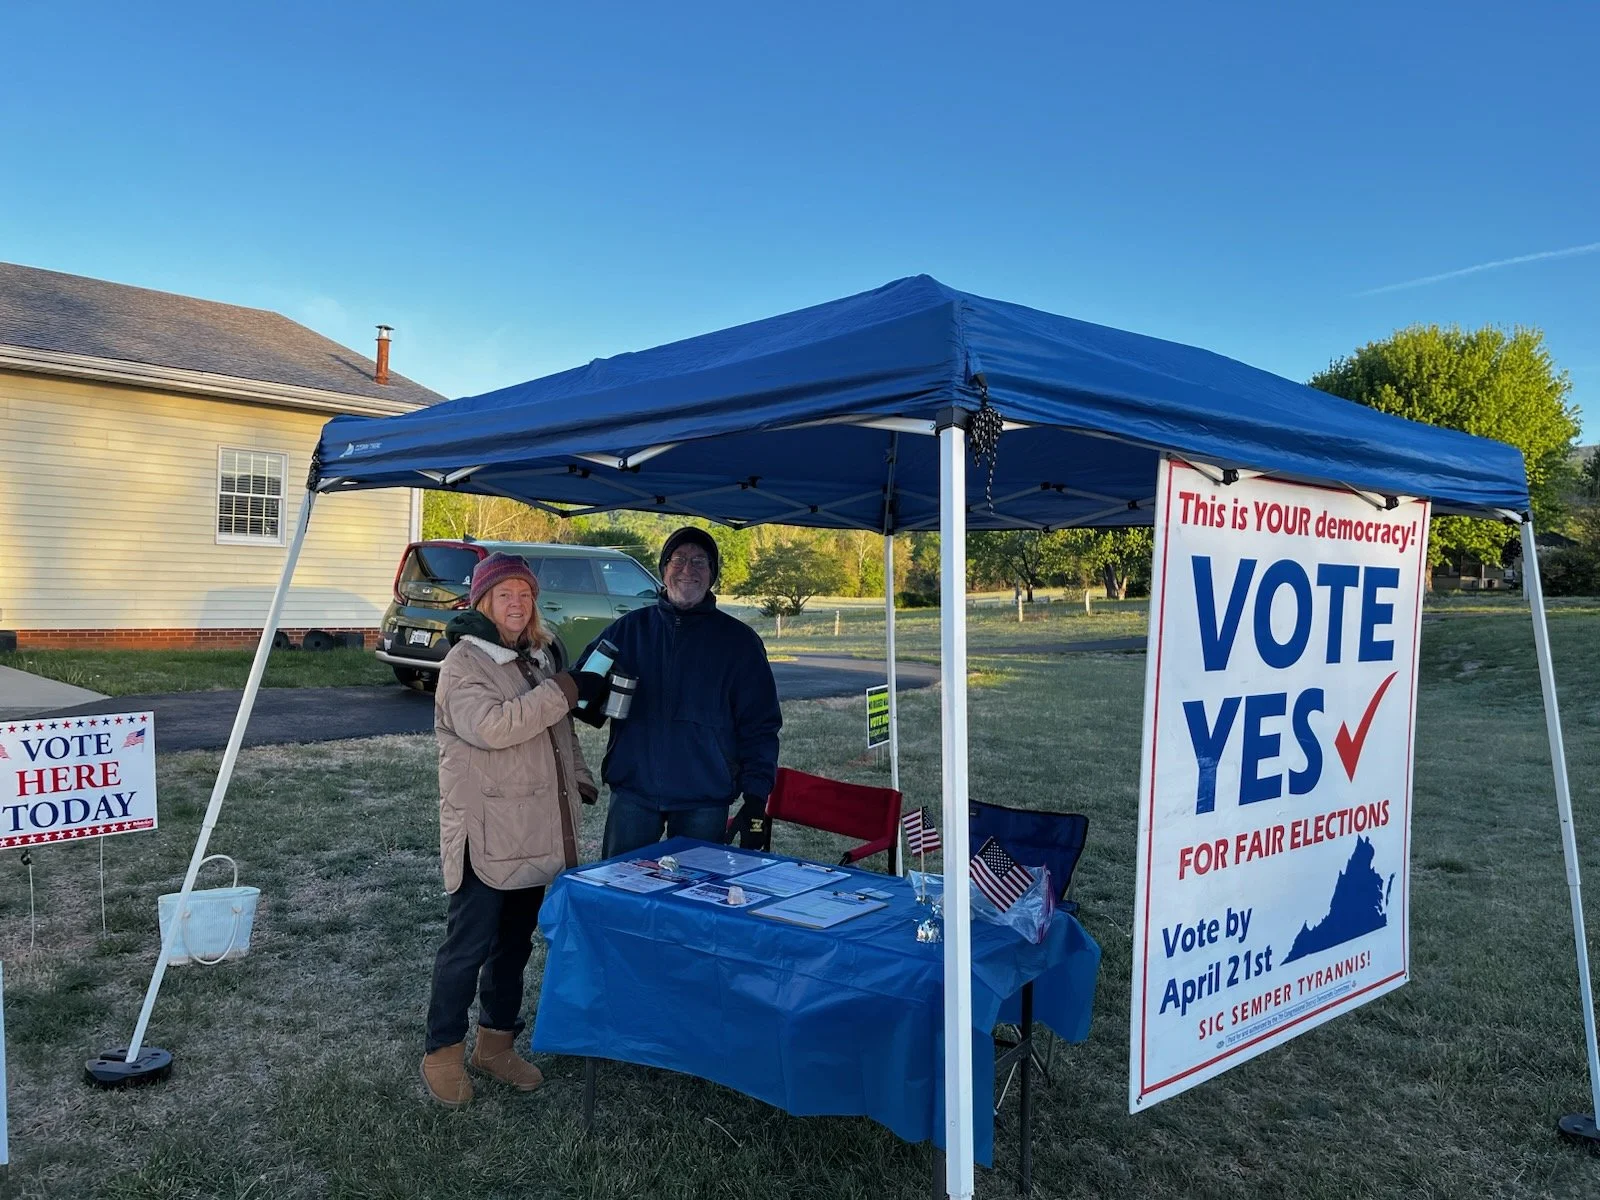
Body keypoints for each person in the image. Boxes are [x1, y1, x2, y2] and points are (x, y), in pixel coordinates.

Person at [420, 552, 607, 1109]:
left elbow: (558, 732)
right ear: (483, 601)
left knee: (514, 945)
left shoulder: (539, 656)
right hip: (487, 831)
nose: (518, 604)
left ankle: (495, 1044)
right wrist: (563, 691)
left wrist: (578, 778)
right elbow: (493, 727)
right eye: (506, 595)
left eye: (525, 594)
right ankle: (442, 1053)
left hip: (533, 828)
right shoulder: (464, 664)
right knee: (467, 947)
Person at [588, 527, 781, 858]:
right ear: (663, 570)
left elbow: (761, 726)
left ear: (712, 575)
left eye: (699, 562)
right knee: (622, 897)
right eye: (678, 560)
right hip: (635, 792)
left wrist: (756, 797)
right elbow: (580, 694)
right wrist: (594, 694)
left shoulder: (740, 643)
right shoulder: (628, 630)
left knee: (695, 899)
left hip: (703, 798)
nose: (687, 570)